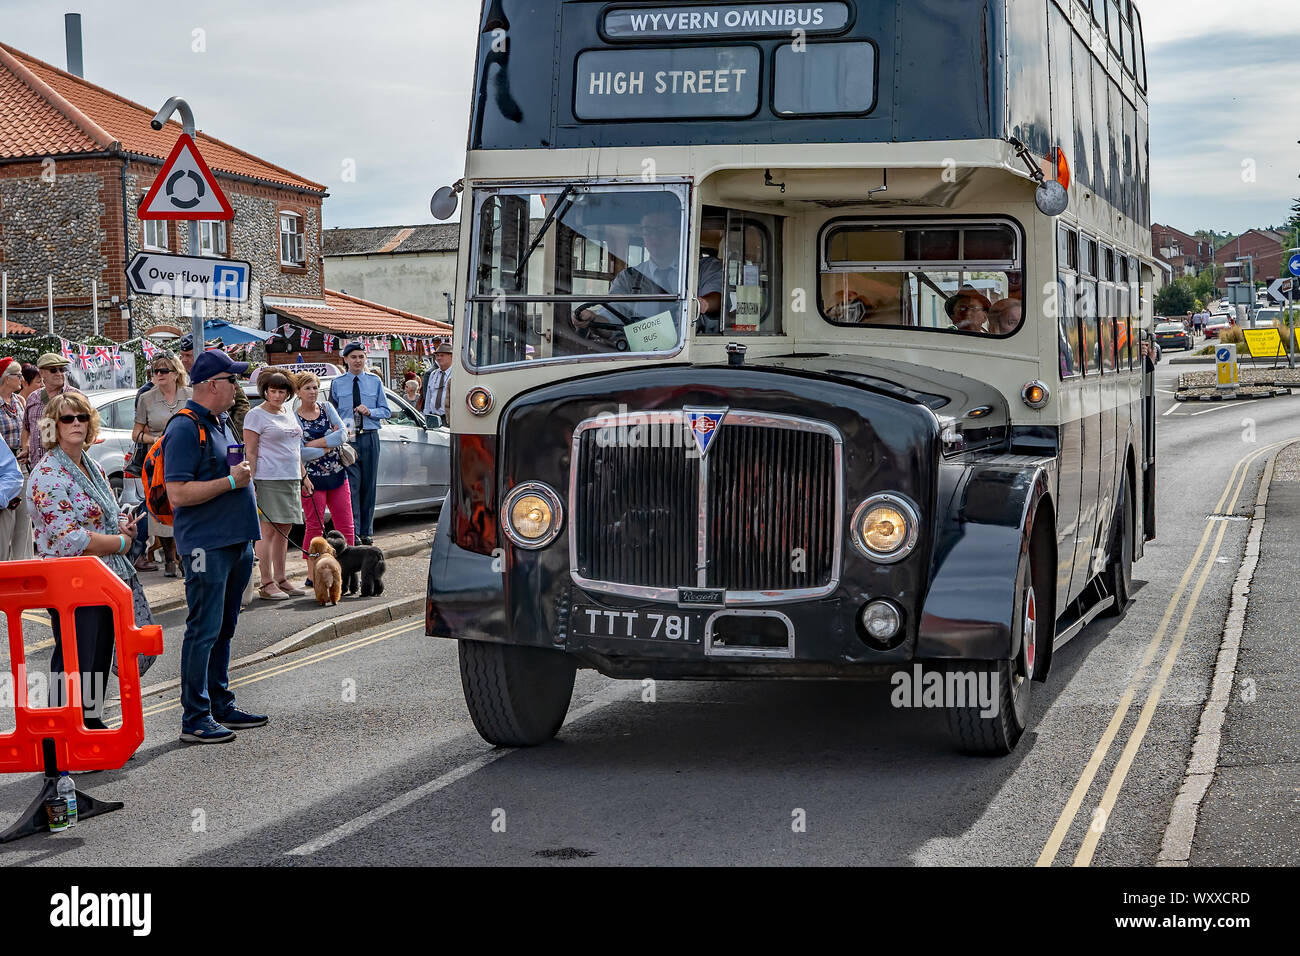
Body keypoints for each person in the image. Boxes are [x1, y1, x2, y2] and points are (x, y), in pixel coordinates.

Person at [26, 393, 150, 729]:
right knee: (74, 658)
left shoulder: (91, 464)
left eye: (82, 417)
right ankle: (61, 735)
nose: (77, 423)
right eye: (68, 419)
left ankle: (90, 725)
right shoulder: (47, 473)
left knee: (96, 655)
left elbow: (103, 516)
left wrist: (121, 524)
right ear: (53, 425)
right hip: (71, 580)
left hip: (103, 577)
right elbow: (71, 540)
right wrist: (122, 542)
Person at [162, 349, 264, 743]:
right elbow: (179, 493)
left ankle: (220, 703)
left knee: (224, 628)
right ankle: (195, 717)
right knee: (203, 629)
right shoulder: (185, 427)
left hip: (235, 540)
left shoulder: (220, 421)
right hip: (207, 545)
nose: (237, 388)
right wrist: (231, 482)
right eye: (232, 380)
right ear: (210, 385)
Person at [571, 209, 724, 344]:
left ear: (678, 234)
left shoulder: (704, 268)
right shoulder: (628, 278)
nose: (654, 237)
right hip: (643, 359)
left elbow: (718, 300)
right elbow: (611, 318)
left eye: (662, 230)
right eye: (648, 231)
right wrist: (592, 318)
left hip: (693, 352)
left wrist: (703, 304)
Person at [244, 370, 308, 600]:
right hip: (267, 477)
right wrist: (250, 481)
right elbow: (250, 451)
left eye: (282, 391)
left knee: (286, 528)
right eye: (273, 391)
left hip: (290, 476)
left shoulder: (288, 411)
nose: (278, 396)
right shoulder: (255, 415)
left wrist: (304, 476)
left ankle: (281, 578)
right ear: (265, 391)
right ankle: (267, 582)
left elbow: (295, 448)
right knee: (267, 531)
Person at [132, 353, 191, 577]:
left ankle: (185, 557)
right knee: (161, 507)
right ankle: (169, 557)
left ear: (176, 373)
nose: (158, 375)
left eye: (163, 371)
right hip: (158, 461)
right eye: (155, 371)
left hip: (187, 456)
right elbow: (136, 434)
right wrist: (154, 440)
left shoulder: (190, 395)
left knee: (185, 507)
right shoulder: (146, 398)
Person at [329, 343, 390, 545]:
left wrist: (370, 411)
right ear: (345, 360)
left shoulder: (375, 382)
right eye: (353, 357)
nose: (358, 361)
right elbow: (332, 413)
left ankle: (367, 532)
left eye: (361, 357)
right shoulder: (338, 383)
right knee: (352, 486)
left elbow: (386, 411)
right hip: (349, 438)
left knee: (369, 486)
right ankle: (352, 531)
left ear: (366, 359)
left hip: (370, 436)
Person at [295, 370, 354, 566]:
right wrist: (328, 445)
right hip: (311, 479)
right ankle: (313, 573)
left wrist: (315, 444)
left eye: (315, 387)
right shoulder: (295, 418)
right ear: (298, 392)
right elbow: (300, 453)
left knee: (346, 525)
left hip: (337, 474)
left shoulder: (327, 408)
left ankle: (347, 570)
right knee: (314, 527)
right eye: (307, 388)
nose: (313, 392)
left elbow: (342, 436)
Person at [178, 334, 248, 437]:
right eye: (182, 355)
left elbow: (242, 405)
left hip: (218, 429)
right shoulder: (177, 376)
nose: (184, 360)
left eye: (188, 355)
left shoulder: (219, 373)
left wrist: (232, 435)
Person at [0, 358, 33, 561]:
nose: (21, 379)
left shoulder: (19, 401)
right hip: (3, 468)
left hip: (21, 464)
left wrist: (27, 446)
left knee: (24, 521)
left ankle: (24, 565)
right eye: (18, 375)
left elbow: (26, 430)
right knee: (5, 522)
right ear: (6, 379)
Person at [25, 353, 82, 469]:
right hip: (37, 468)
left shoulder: (76, 397)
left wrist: (73, 461)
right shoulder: (33, 398)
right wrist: (25, 449)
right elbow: (26, 427)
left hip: (65, 469)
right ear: (41, 373)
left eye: (62, 369)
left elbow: (89, 434)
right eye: (53, 370)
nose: (59, 374)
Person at [420, 340, 454, 424]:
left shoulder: (456, 374)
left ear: (451, 356)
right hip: (434, 418)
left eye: (442, 355)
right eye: (437, 355)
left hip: (449, 418)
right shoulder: (433, 374)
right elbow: (428, 397)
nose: (438, 358)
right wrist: (426, 415)